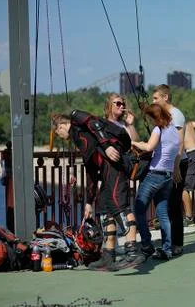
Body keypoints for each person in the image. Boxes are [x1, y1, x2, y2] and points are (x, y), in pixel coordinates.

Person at [52, 110, 145, 270]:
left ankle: (132, 251)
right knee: (104, 206)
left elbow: (94, 122)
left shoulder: (75, 118)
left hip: (114, 162)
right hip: (106, 168)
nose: (60, 136)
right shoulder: (79, 139)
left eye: (57, 133)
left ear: (61, 126)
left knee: (119, 204)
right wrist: (89, 202)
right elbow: (91, 172)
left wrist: (106, 145)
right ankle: (108, 255)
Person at [132, 103, 181, 260]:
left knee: (139, 209)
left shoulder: (158, 129)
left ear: (155, 117)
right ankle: (167, 249)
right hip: (168, 175)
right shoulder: (174, 130)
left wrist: (135, 143)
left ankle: (146, 244)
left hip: (155, 174)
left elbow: (149, 147)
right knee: (163, 214)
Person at [152, 84, 187, 256]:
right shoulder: (164, 116)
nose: (154, 101)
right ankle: (167, 243)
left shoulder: (176, 115)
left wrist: (176, 167)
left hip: (176, 164)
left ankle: (177, 244)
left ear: (165, 97)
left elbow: (179, 143)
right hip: (166, 165)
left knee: (174, 204)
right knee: (164, 206)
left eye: (156, 98)